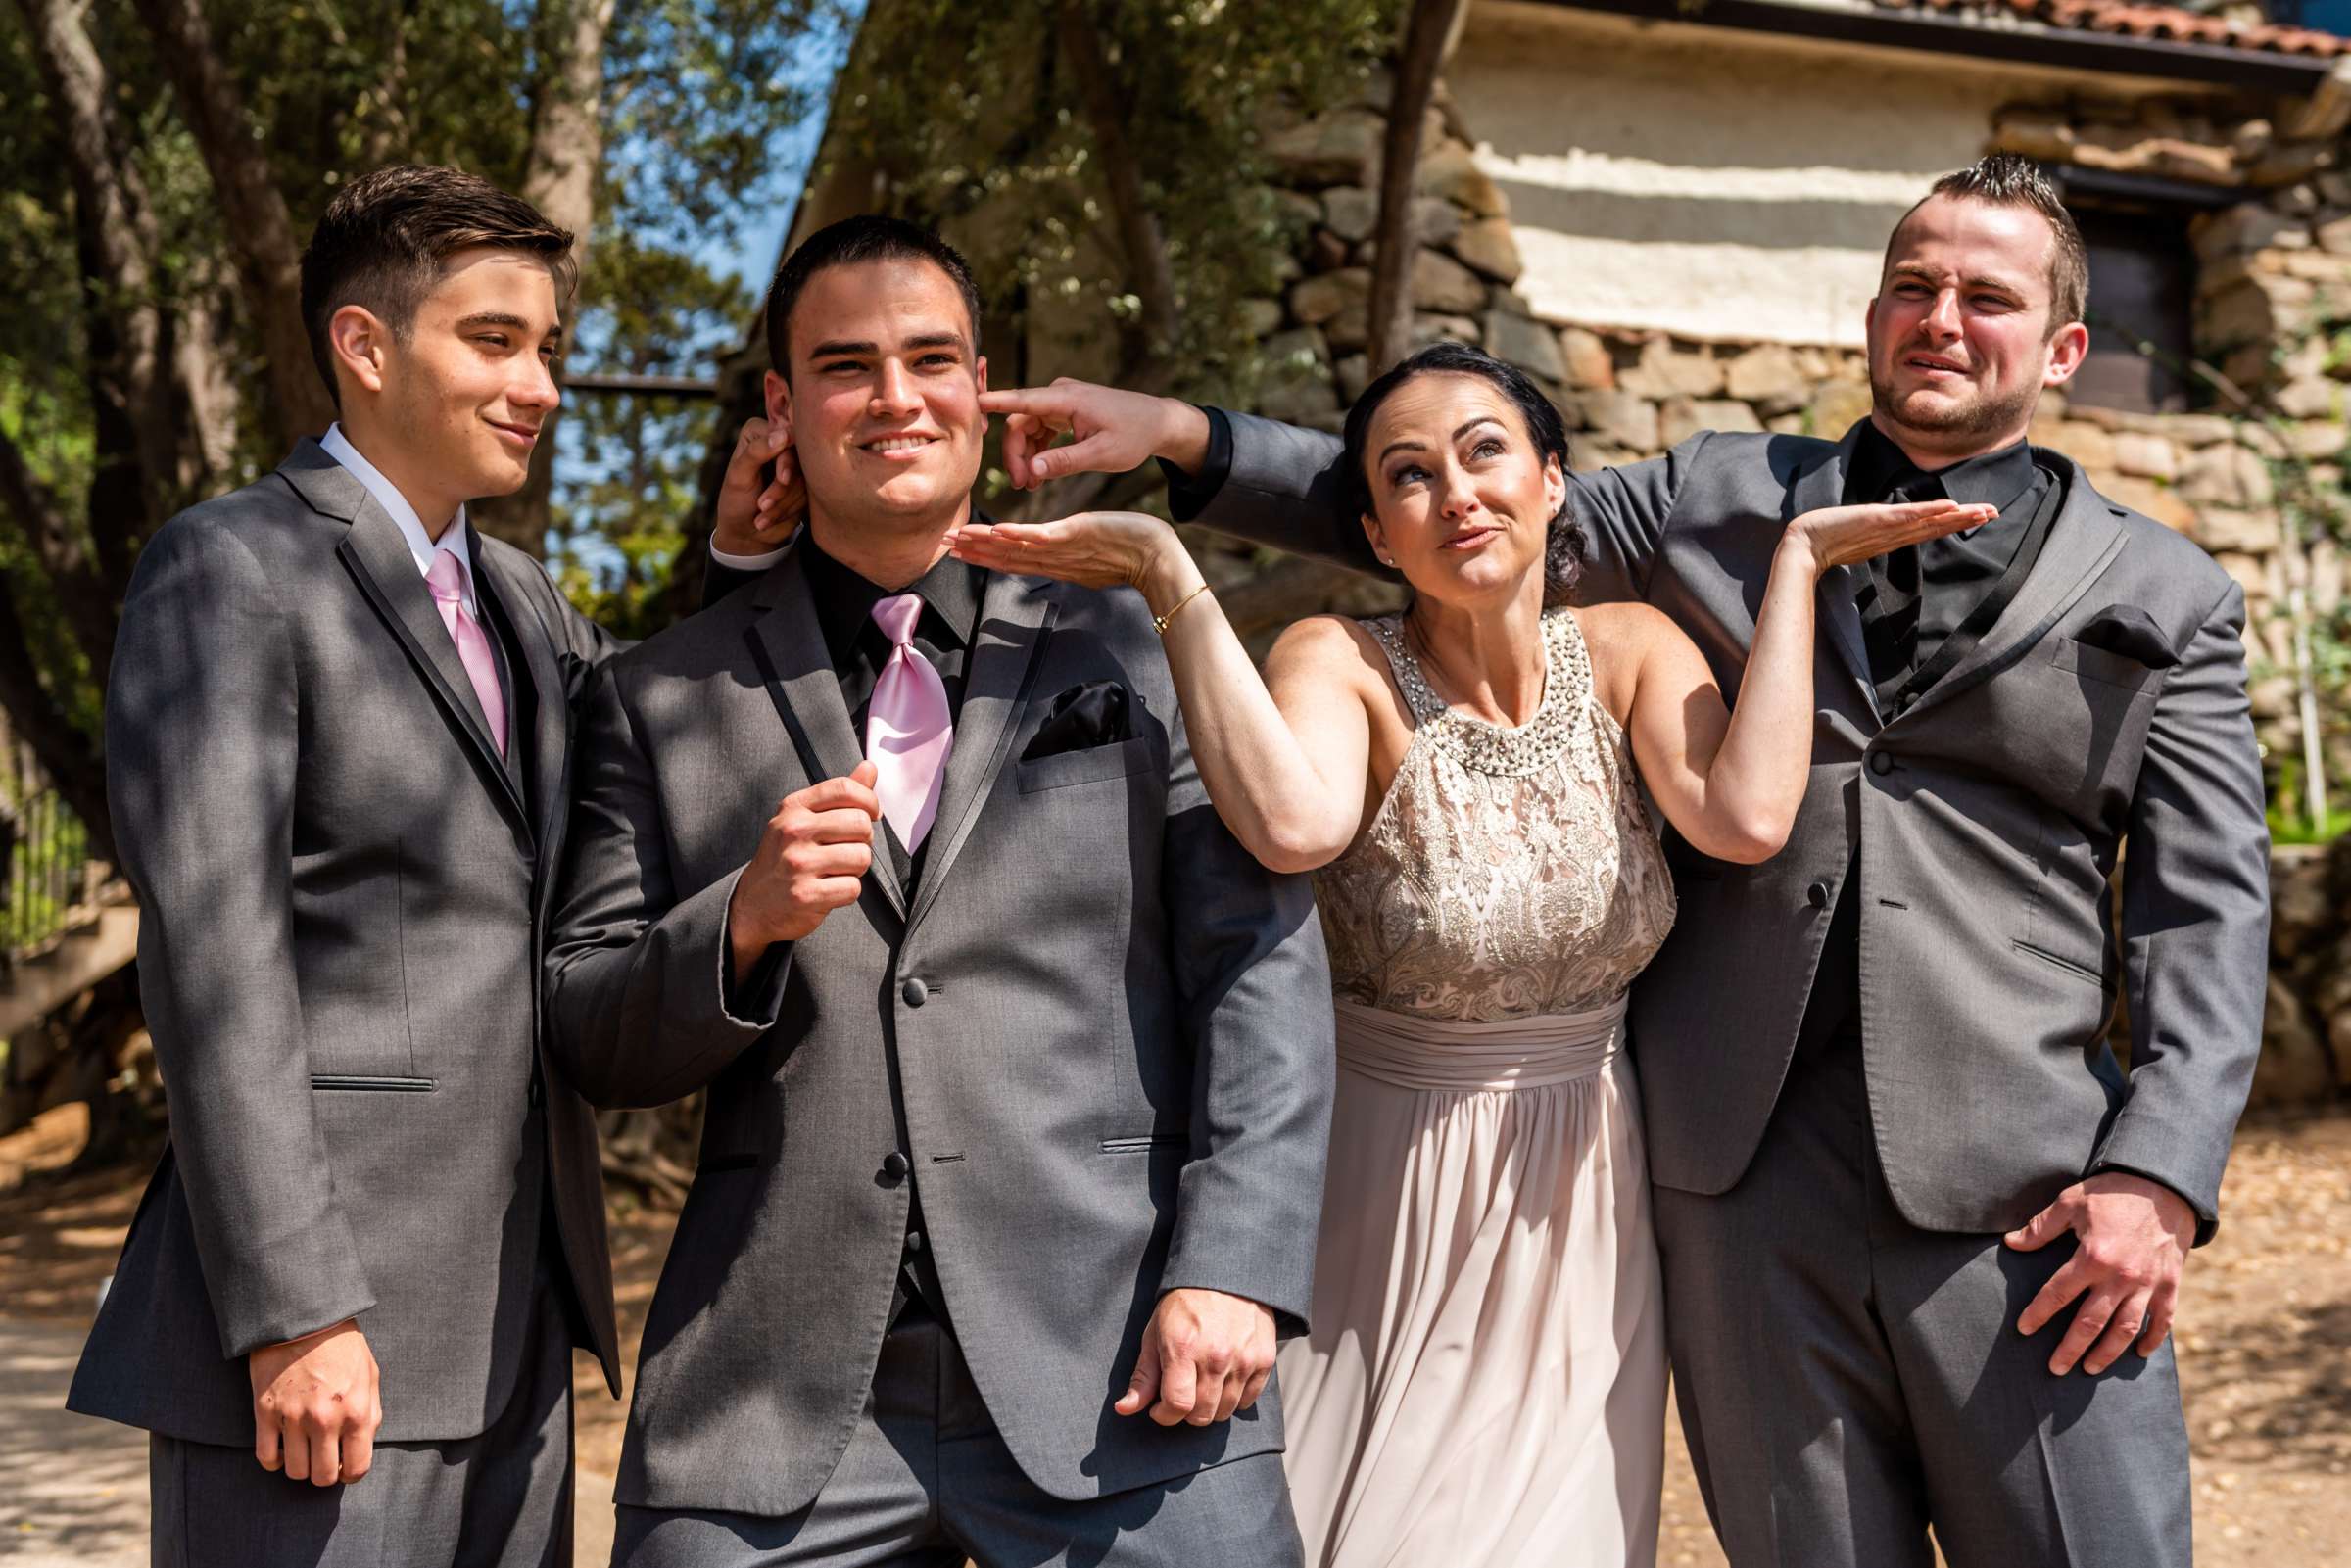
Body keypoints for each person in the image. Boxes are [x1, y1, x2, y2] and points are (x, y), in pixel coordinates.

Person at [966, 155, 2272, 1565]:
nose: (1941, 317)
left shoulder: (2166, 594)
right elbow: (1459, 511)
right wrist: (1173, 431)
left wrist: (2158, 1173)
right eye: (1914, 285)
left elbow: (2206, 913)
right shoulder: (1719, 496)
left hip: (2025, 1191)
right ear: (1873, 314)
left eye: (1987, 298)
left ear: (2065, 349)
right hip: (1733, 1179)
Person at [943, 340, 1989, 1567]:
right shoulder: (1336, 659)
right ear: (1381, 533)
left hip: (1589, 1181)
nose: (1459, 495)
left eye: (1487, 452)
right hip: (1384, 1182)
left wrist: (1801, 562)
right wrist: (1169, 573)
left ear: (1555, 482)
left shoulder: (1633, 645)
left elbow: (1746, 816)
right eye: (1410, 476)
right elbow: (1293, 822)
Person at [544, 214, 1335, 1568]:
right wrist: (740, 925)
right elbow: (587, 1024)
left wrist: (1235, 1268)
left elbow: (1262, 963)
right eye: (848, 366)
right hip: (778, 1385)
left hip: (1119, 1354)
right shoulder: (654, 693)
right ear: (785, 409)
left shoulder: (1137, 637)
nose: (896, 397)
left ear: (984, 388)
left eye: (932, 358)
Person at [68, 165, 634, 1565]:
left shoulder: (524, 600)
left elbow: (656, 759)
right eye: (494, 341)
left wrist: (748, 569)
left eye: (547, 348)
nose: (540, 385)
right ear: (364, 346)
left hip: (519, 1326)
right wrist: (294, 1305)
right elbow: (215, 957)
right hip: (327, 1346)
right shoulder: (231, 567)